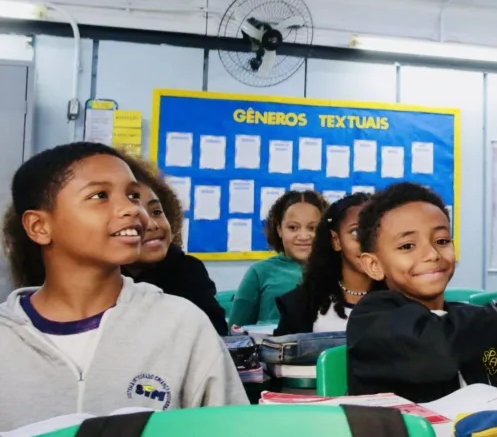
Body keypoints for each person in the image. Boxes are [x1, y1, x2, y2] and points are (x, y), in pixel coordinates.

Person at [0, 142, 247, 432]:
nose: (132, 208)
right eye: (100, 195)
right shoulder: (7, 338)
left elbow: (231, 428)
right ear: (39, 226)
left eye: (132, 195)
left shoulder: (182, 324)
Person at [346, 183, 497, 403]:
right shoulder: (370, 319)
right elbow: (435, 351)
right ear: (374, 265)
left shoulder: (476, 321)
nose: (432, 254)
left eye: (442, 241)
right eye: (407, 246)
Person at [119, 155, 228, 336]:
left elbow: (215, 337)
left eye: (156, 212)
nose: (153, 225)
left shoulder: (187, 271)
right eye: (136, 215)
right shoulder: (101, 279)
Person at [274, 193, 374, 335]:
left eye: (376, 232)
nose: (368, 242)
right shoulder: (304, 303)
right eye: (356, 232)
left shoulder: (400, 299)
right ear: (336, 240)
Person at [228, 190, 326, 328]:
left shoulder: (338, 270)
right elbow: (236, 334)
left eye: (313, 228)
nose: (303, 236)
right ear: (279, 229)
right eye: (293, 228)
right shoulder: (259, 272)